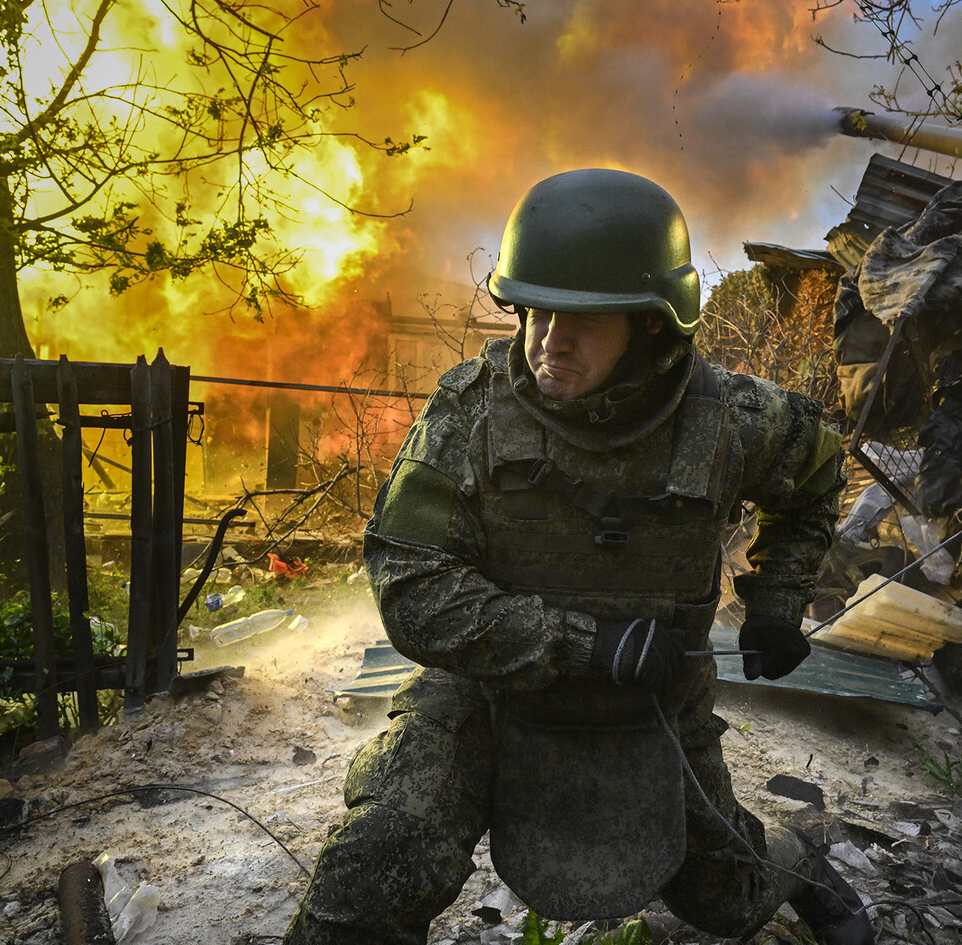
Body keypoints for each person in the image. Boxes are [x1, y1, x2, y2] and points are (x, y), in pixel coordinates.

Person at [284, 168, 872, 945]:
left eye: (584, 321)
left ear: (651, 325)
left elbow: (819, 475)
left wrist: (778, 602)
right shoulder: (470, 411)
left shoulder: (732, 419)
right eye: (538, 311)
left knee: (729, 897)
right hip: (487, 695)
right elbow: (412, 587)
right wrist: (584, 644)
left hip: (653, 704)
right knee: (372, 871)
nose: (549, 341)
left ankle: (802, 860)